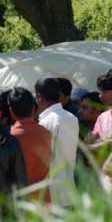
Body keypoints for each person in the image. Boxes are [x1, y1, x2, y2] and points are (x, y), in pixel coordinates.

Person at [35, 77, 79, 206]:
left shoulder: (46, 122)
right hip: (68, 187)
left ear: (39, 96)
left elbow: (43, 157)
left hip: (52, 191)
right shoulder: (72, 118)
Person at [8, 87, 52, 200]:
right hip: (43, 196)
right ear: (33, 108)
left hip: (21, 198)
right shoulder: (47, 133)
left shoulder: (10, 136)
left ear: (11, 112)